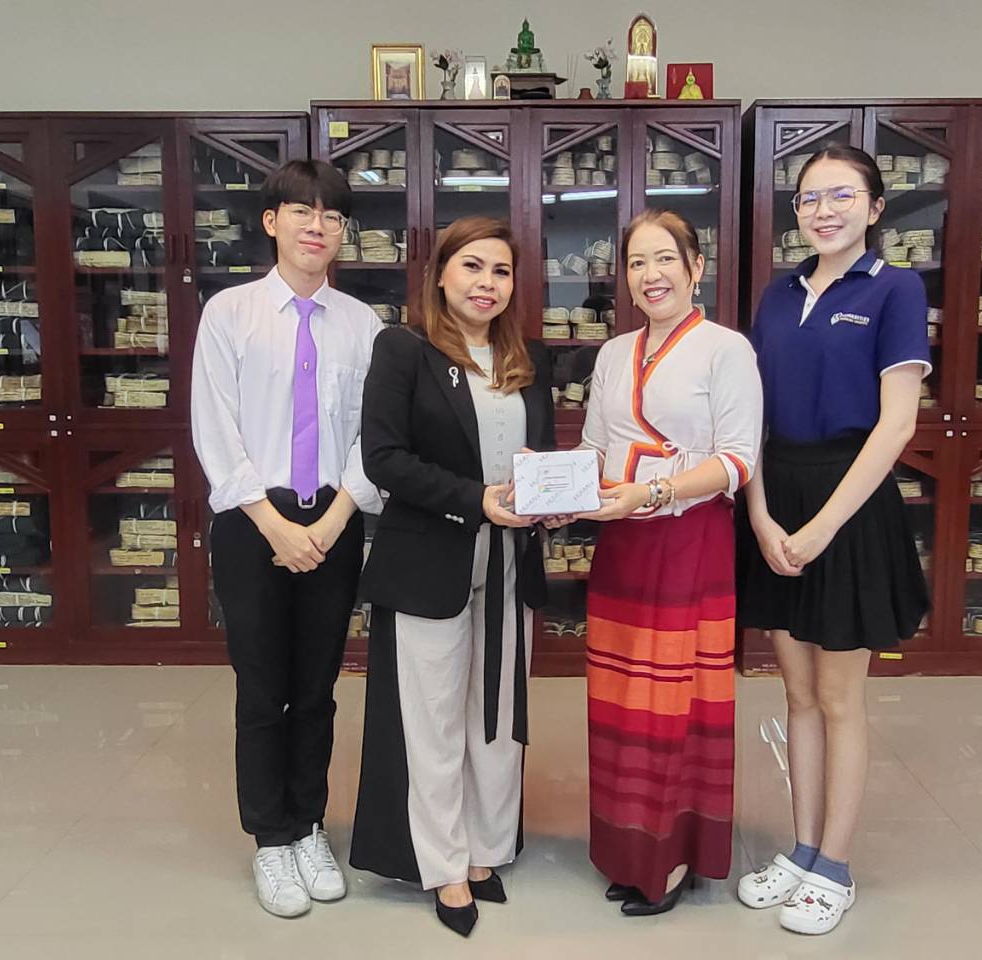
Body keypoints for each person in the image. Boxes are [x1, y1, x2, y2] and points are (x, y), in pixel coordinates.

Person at [735, 144, 932, 936]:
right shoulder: (777, 295)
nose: (823, 210)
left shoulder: (895, 289)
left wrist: (820, 528)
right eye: (810, 198)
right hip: (776, 493)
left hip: (848, 504)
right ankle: (802, 849)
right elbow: (748, 416)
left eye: (841, 195)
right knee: (797, 695)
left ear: (875, 207)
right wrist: (759, 514)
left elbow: (896, 425)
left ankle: (835, 868)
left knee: (841, 697)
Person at [350, 216, 561, 938]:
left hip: (510, 563)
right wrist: (476, 500)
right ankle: (441, 863)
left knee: (495, 717)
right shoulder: (403, 350)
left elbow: (541, 456)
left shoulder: (528, 359)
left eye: (500, 271)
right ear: (439, 274)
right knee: (433, 719)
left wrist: (552, 501)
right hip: (429, 560)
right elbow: (383, 458)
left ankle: (484, 849)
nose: (486, 284)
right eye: (472, 266)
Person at [190, 159, 384, 920]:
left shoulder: (363, 325)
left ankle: (308, 825)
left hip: (333, 520)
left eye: (332, 216)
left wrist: (330, 525)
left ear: (342, 233)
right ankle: (270, 839)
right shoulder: (229, 313)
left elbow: (374, 438)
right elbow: (215, 428)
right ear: (271, 221)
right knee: (260, 687)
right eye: (302, 211)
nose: (317, 226)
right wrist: (274, 525)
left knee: (317, 688)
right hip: (252, 524)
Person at [578, 209, 762, 917]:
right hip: (623, 544)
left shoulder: (725, 350)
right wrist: (559, 493)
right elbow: (594, 448)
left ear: (695, 268)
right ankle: (628, 850)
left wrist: (655, 492)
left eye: (664, 260)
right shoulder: (611, 353)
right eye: (636, 262)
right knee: (621, 699)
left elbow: (738, 461)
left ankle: (674, 855)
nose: (650, 275)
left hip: (689, 539)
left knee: (677, 701)